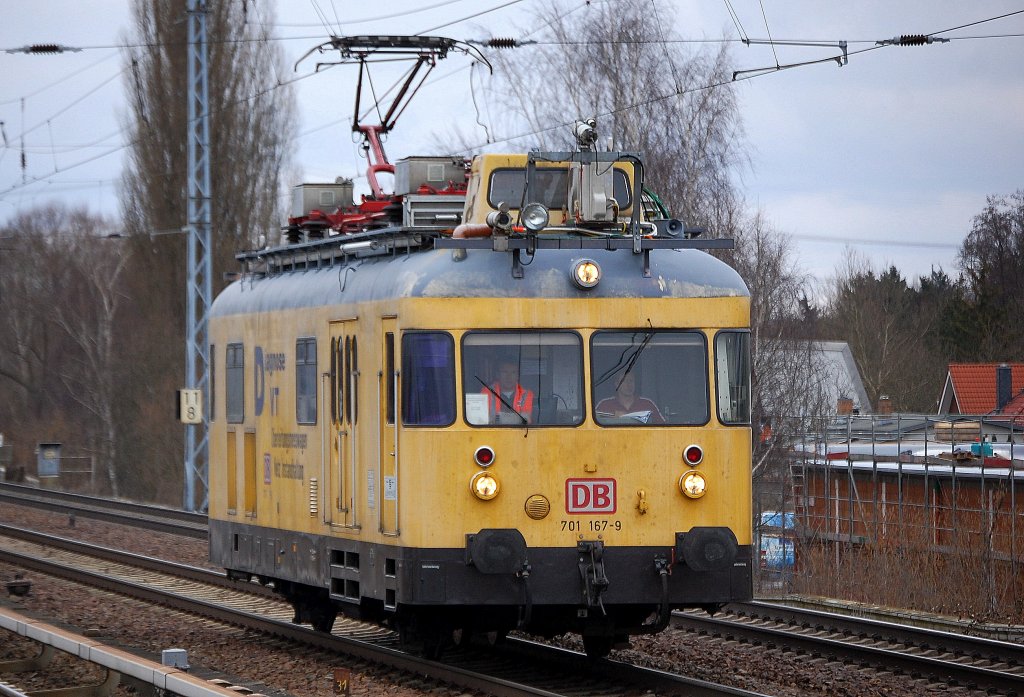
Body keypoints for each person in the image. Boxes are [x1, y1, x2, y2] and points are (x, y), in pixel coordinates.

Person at [595, 371, 664, 424]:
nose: (628, 384)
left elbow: (662, 427)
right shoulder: (605, 405)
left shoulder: (647, 404)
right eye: (624, 381)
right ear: (616, 384)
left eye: (631, 381)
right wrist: (613, 418)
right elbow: (594, 426)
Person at [482, 359, 534, 423]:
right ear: (497, 374)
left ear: (518, 376)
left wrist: (497, 418)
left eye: (513, 372)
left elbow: (526, 420)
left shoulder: (526, 394)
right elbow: (483, 419)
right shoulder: (487, 392)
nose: (509, 377)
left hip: (518, 432)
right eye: (504, 372)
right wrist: (515, 418)